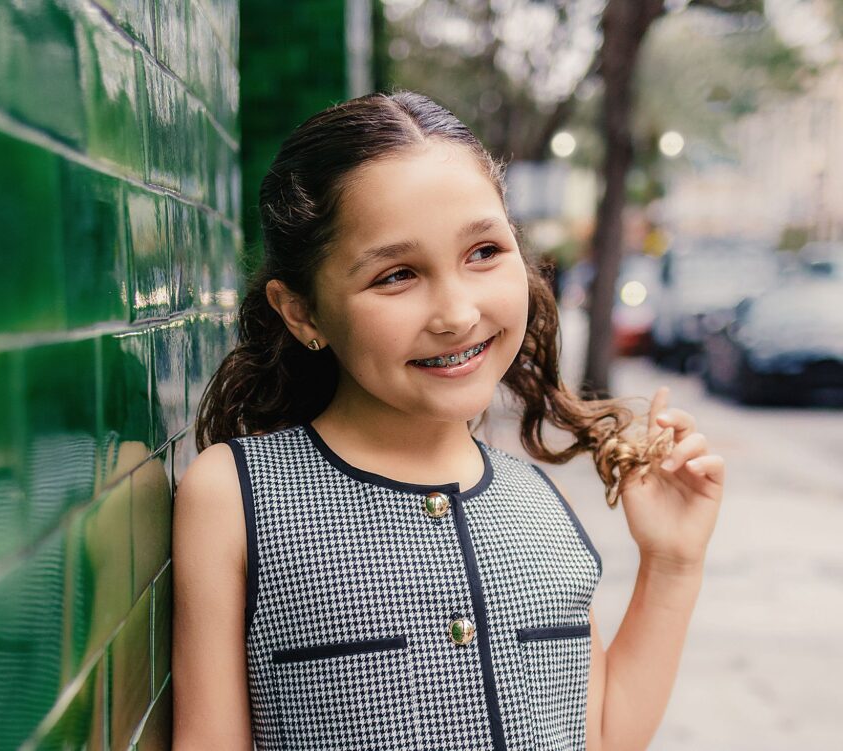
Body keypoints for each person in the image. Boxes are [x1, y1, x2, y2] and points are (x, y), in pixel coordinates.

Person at [170, 90, 724, 751]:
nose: (457, 313)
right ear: (302, 312)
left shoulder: (539, 502)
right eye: (397, 274)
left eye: (484, 251)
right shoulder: (235, 494)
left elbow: (598, 736)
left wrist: (672, 561)